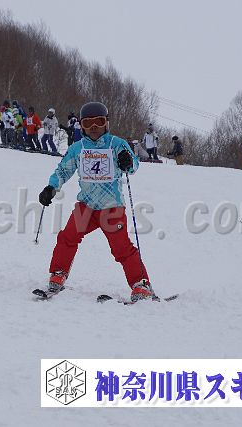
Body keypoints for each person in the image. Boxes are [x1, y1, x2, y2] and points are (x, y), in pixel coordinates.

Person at [38, 101, 156, 303]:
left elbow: (134, 166)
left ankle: (140, 284)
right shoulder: (78, 148)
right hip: (86, 206)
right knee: (68, 237)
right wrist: (51, 187)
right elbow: (63, 170)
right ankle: (58, 273)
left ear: (106, 123)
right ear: (81, 125)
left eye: (98, 122)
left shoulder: (117, 144)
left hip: (111, 207)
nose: (93, 127)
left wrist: (128, 162)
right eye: (88, 123)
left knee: (121, 248)